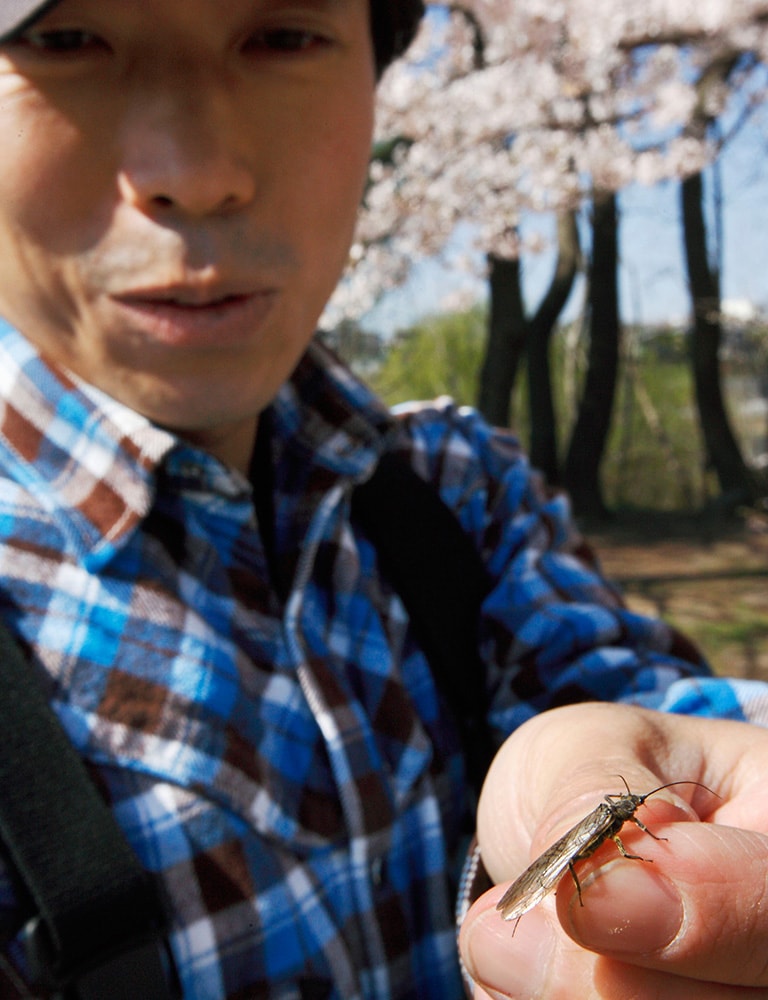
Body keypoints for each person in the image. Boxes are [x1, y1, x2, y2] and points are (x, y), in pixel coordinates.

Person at [0, 1, 766, 998]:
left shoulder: (461, 489)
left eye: (282, 34)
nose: (195, 171)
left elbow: (652, 703)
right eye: (64, 39)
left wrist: (696, 775)